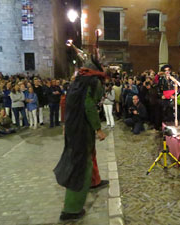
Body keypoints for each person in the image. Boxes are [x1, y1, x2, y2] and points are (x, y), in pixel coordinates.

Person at [53, 51, 108, 222]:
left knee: (86, 159)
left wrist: (65, 125)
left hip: (73, 127)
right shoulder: (93, 82)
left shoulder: (77, 81)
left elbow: (67, 103)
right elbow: (89, 105)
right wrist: (98, 129)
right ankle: (71, 209)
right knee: (81, 166)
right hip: (82, 129)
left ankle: (93, 183)